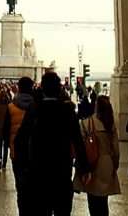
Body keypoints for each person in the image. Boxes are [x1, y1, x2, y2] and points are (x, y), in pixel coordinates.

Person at [15, 70, 88, 216]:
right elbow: (77, 140)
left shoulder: (34, 109)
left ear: (42, 89)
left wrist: (24, 167)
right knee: (62, 210)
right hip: (62, 170)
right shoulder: (68, 110)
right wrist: (84, 167)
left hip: (38, 171)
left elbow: (20, 139)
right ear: (59, 89)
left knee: (41, 209)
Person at [74, 95, 121, 216]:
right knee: (103, 200)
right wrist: (115, 164)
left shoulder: (86, 123)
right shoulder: (110, 124)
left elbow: (81, 148)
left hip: (91, 163)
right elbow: (115, 148)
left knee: (93, 199)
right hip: (107, 163)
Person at [4, 76, 36, 216]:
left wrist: (9, 146)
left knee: (21, 187)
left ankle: (23, 212)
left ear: (19, 88)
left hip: (17, 152)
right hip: (35, 152)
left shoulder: (11, 106)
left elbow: (5, 131)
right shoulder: (37, 106)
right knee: (34, 186)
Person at [0, 88, 11, 170]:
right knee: (5, 147)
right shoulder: (9, 106)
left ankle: (0, 159)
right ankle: (4, 163)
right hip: (7, 129)